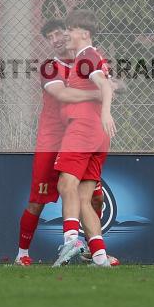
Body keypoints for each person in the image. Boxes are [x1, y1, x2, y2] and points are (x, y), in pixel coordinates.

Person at [14, 18, 106, 265]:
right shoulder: (49, 67)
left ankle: (92, 250)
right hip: (52, 141)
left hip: (83, 138)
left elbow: (111, 82)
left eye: (59, 34)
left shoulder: (88, 59)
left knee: (95, 197)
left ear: (70, 34)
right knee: (37, 201)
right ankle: (22, 255)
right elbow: (62, 94)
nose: (55, 40)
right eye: (50, 37)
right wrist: (101, 92)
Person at [52, 9, 115, 268]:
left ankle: (71, 242)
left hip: (83, 130)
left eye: (71, 28)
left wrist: (106, 113)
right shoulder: (93, 56)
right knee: (84, 197)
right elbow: (107, 85)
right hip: (97, 136)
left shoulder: (86, 57)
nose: (66, 33)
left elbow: (104, 85)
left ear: (85, 33)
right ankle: (100, 257)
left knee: (65, 185)